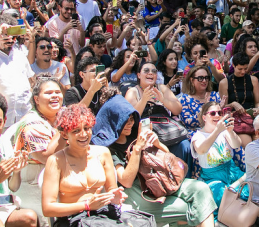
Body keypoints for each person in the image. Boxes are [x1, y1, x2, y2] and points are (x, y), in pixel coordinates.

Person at [91, 92, 217, 227]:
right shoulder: (108, 147)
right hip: (135, 191)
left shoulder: (134, 132)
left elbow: (167, 157)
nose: (129, 124)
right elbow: (126, 181)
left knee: (201, 189)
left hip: (159, 178)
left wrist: (157, 143)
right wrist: (137, 149)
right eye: (124, 121)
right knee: (186, 208)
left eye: (131, 119)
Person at [41, 104, 127, 226]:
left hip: (101, 216)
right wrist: (86, 206)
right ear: (65, 135)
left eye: (87, 128)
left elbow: (111, 190)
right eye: (76, 131)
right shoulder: (55, 160)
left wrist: (116, 195)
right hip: (72, 219)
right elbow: (48, 208)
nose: (83, 134)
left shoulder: (103, 153)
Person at [0, 90, 37, 227]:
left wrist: (16, 172)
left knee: (30, 218)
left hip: (3, 206)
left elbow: (13, 187)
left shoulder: (3, 142)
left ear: (4, 121)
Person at [13, 77, 66, 226]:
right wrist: (63, 127)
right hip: (32, 181)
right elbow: (46, 157)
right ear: (36, 99)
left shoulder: (60, 114)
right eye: (49, 93)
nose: (55, 95)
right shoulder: (30, 124)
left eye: (57, 92)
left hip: (60, 176)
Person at [191, 102, 243, 213]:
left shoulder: (224, 132)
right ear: (204, 117)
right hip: (212, 177)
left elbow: (236, 145)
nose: (217, 115)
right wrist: (217, 131)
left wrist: (231, 131)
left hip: (231, 170)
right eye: (213, 113)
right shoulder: (198, 136)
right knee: (221, 198)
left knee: (248, 191)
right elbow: (201, 150)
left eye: (219, 113)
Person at [218, 53, 259, 146]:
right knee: (250, 145)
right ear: (233, 66)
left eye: (245, 69)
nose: (243, 72)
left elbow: (258, 102)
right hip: (237, 121)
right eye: (240, 69)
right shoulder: (225, 82)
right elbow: (222, 107)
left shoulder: (253, 80)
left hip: (252, 117)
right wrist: (233, 104)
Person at [179, 66, 221, 139]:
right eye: (200, 78)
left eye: (206, 78)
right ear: (192, 80)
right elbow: (188, 122)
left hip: (216, 131)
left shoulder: (215, 95)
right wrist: (204, 110)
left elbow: (220, 119)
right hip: (197, 134)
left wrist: (222, 109)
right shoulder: (186, 99)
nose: (204, 81)